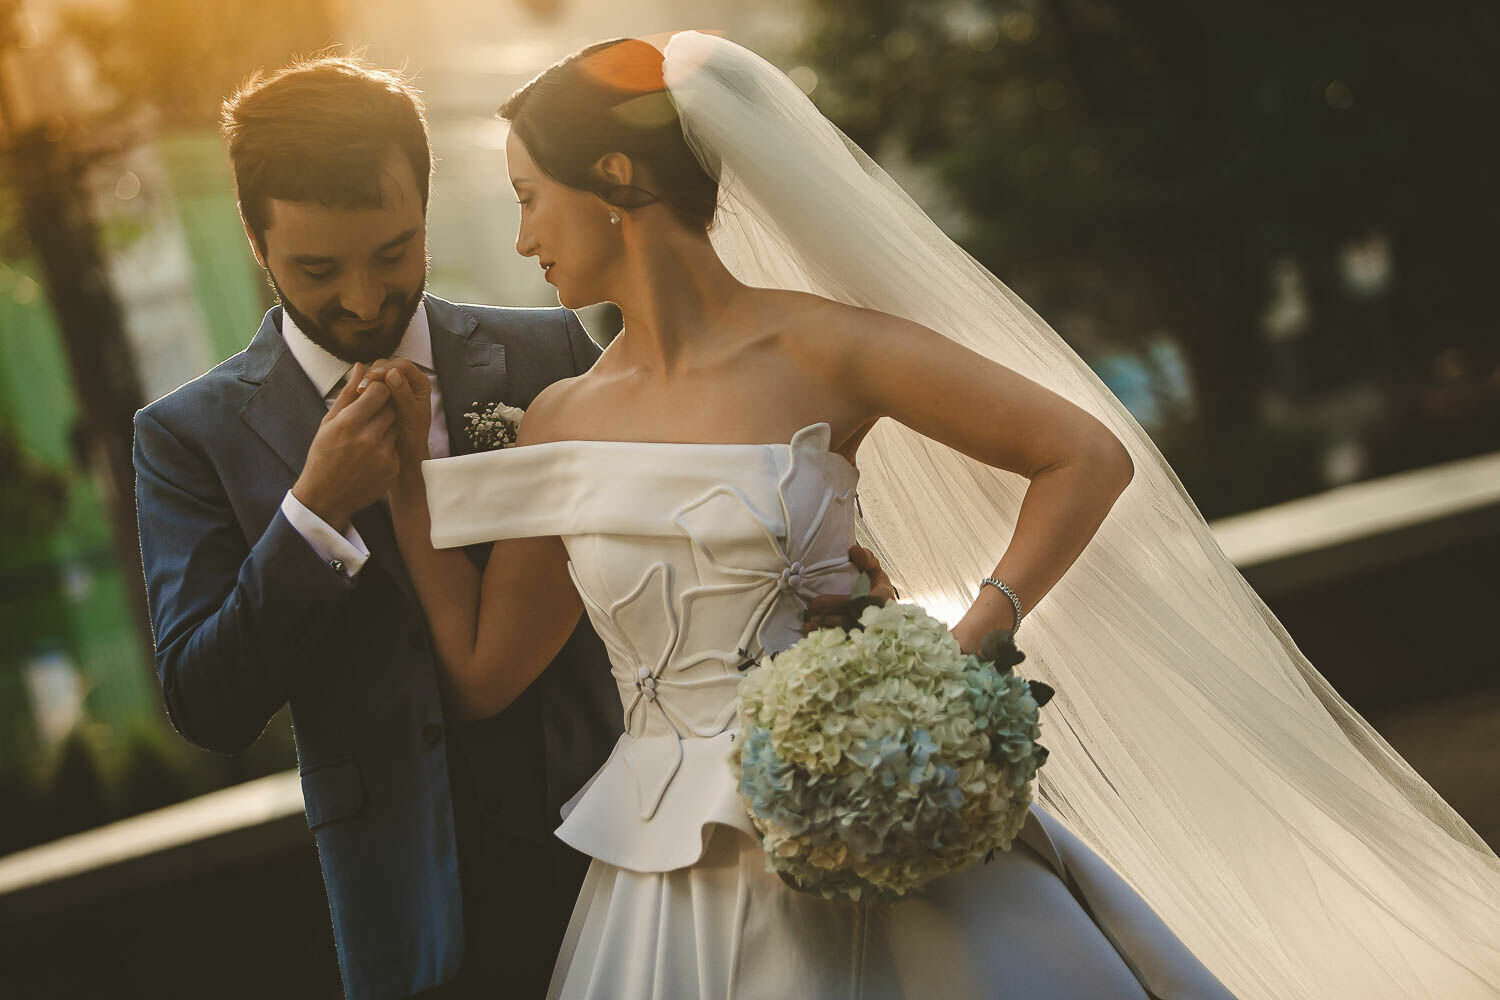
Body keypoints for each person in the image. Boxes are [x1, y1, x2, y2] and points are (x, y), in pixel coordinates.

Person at [366, 31, 1500, 1000]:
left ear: (615, 177)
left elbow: (1084, 455)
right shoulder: (561, 417)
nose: (521, 240)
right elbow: (483, 670)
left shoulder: (824, 348)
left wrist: (974, 643)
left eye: (529, 198)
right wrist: (403, 493)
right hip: (669, 879)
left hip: (887, 818)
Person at [131, 56, 627, 998]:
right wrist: (312, 514)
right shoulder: (186, 440)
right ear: (256, 241)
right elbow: (209, 704)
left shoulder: (547, 353)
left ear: (427, 211)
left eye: (393, 253)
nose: (363, 298)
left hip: (612, 848)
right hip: (412, 912)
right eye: (320, 270)